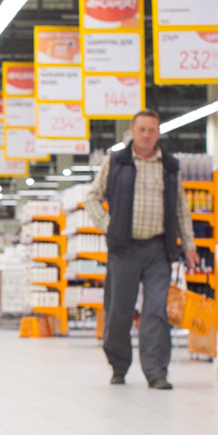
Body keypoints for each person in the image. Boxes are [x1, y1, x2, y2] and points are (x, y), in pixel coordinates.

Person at [85, 109, 200, 390]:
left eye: (152, 130)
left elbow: (181, 209)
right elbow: (92, 198)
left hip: (159, 249)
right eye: (142, 129)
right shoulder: (116, 162)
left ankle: (156, 371)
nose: (147, 134)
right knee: (119, 310)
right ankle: (119, 366)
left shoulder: (170, 166)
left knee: (156, 311)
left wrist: (190, 245)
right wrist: (109, 226)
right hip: (124, 248)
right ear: (132, 131)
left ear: (158, 133)